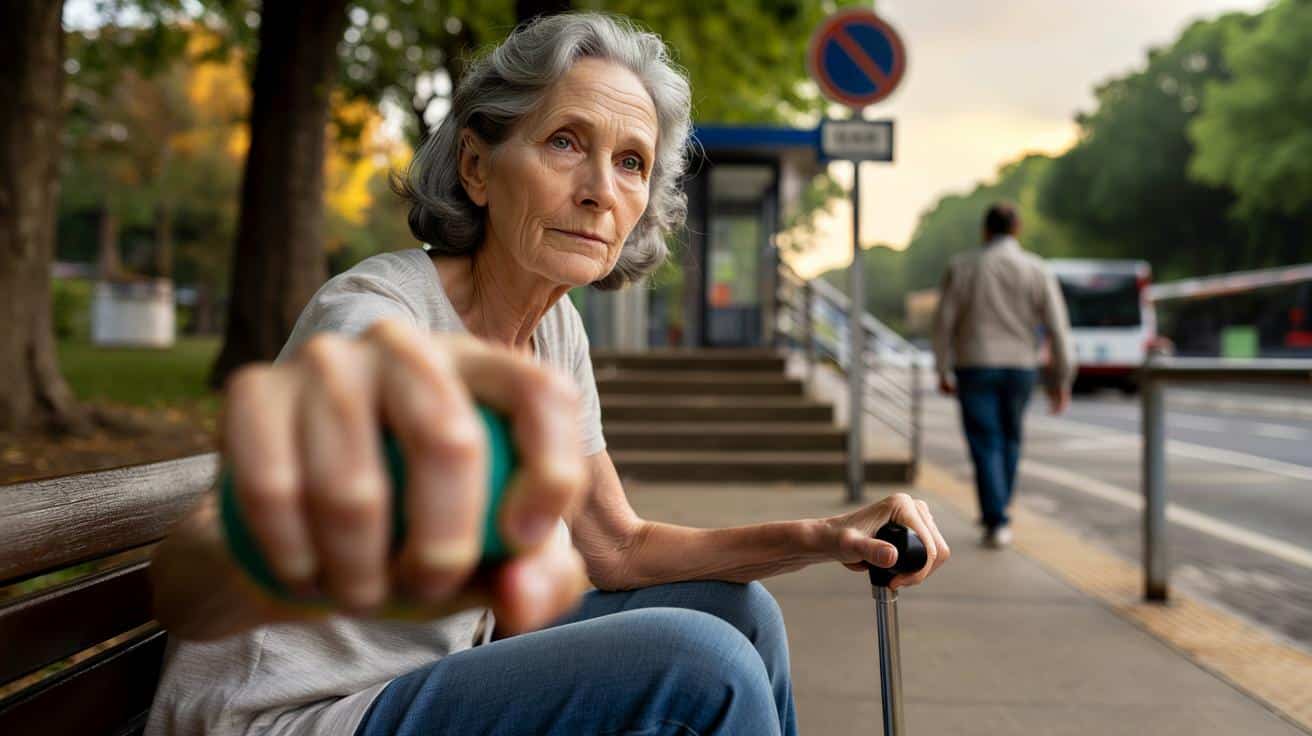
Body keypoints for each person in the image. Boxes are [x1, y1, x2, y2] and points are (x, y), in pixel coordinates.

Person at [145, 13, 949, 736]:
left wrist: (819, 537)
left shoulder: (553, 330)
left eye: (631, 162)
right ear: (477, 167)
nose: (600, 190)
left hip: (411, 687)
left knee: (738, 611)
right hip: (287, 716)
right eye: (565, 142)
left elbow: (617, 545)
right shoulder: (378, 305)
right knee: (695, 662)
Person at [930, 202, 1076, 549]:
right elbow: (1058, 327)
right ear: (1017, 229)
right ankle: (999, 510)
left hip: (975, 364)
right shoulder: (1037, 269)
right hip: (1021, 367)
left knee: (985, 443)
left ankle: (996, 517)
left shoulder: (963, 266)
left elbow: (943, 323)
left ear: (985, 230)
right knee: (1011, 439)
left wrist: (941, 366)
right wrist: (1063, 379)